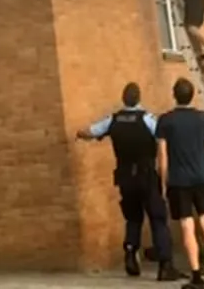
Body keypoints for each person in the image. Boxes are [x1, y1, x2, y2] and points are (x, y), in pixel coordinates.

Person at [76, 82, 182, 281]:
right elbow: (163, 136)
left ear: (123, 99)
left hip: (125, 177)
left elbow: (91, 131)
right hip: (147, 175)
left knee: (132, 217)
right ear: (139, 98)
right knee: (157, 218)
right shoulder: (148, 119)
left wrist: (79, 134)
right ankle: (165, 264)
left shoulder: (113, 119)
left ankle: (131, 253)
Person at [157, 78, 204, 289]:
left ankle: (196, 275)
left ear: (174, 94)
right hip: (201, 178)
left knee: (187, 226)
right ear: (192, 94)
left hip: (179, 181)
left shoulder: (165, 121)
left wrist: (164, 182)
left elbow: (162, 156)